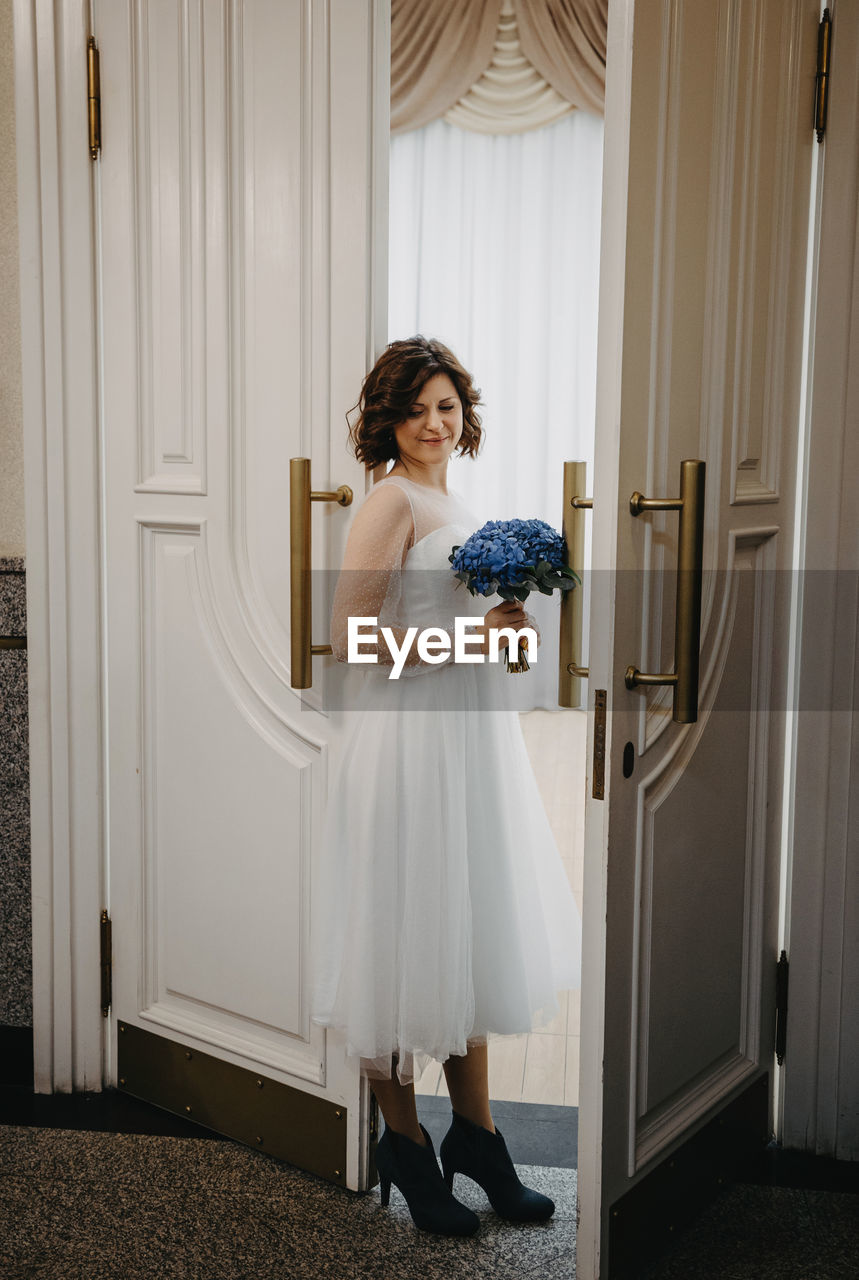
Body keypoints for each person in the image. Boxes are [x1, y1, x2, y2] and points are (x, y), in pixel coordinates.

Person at [310, 336, 582, 1237]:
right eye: (418, 408)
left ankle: (478, 1136)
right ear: (388, 419)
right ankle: (406, 1147)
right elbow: (349, 638)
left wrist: (503, 635)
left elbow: (455, 632)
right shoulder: (389, 498)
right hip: (404, 749)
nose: (435, 423)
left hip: (466, 746)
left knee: (466, 929)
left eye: (448, 407)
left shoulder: (452, 500)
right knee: (399, 938)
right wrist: (470, 643)